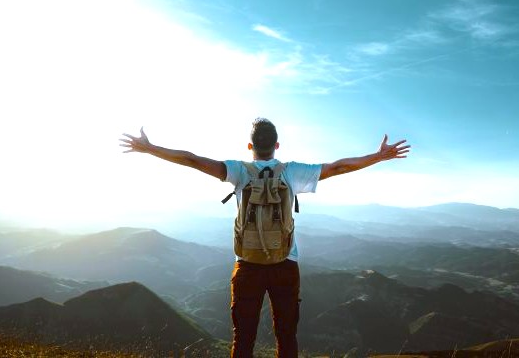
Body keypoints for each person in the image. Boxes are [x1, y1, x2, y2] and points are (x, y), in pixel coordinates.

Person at [119, 118, 410, 358]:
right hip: (285, 264)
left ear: (250, 146)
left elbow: (192, 160)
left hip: (247, 265)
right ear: (277, 145)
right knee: (286, 337)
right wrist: (378, 157)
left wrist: (150, 148)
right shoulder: (293, 172)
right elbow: (338, 167)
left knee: (243, 338)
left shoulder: (237, 171)